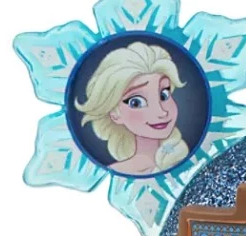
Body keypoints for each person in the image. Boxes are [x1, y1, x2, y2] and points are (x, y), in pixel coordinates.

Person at [75, 41, 189, 175]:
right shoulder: (116, 173)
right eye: (136, 102)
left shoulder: (187, 160)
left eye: (164, 95)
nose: (161, 112)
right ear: (114, 113)